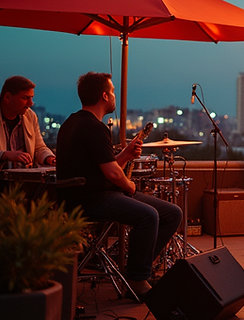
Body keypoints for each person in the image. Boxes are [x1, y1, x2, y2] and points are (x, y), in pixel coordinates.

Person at [55, 72, 182, 297]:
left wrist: (124, 155)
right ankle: (136, 280)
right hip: (92, 199)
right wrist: (129, 186)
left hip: (87, 194)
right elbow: (113, 174)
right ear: (104, 96)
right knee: (149, 215)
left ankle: (139, 268)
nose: (114, 96)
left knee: (172, 213)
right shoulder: (95, 127)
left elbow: (104, 167)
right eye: (113, 91)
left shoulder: (71, 123)